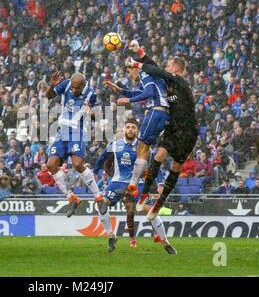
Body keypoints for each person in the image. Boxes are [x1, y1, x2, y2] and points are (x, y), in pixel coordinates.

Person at [127, 41, 199, 221]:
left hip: (188, 132)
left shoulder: (181, 81)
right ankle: (144, 195)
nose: (166, 67)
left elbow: (157, 71)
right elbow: (157, 68)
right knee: (158, 157)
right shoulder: (171, 80)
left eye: (168, 65)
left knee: (176, 167)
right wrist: (140, 52)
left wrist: (138, 64)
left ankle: (159, 205)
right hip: (172, 128)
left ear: (175, 68)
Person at [93, 119, 177, 254]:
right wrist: (94, 172)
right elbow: (102, 159)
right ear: (124, 130)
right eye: (128, 127)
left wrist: (160, 183)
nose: (130, 129)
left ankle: (166, 242)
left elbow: (154, 166)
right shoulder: (115, 144)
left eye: (133, 127)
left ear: (137, 131)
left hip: (138, 183)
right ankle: (111, 236)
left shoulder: (144, 147)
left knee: (152, 211)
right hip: (118, 182)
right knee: (101, 204)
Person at [104, 54, 170, 202]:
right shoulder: (149, 77)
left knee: (141, 145)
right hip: (164, 114)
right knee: (147, 149)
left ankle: (133, 184)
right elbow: (141, 93)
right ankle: (154, 181)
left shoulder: (145, 74)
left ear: (134, 68)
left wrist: (128, 100)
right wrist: (119, 89)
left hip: (156, 111)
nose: (129, 75)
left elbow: (149, 93)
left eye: (128, 72)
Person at [46, 71, 105, 217]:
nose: (73, 90)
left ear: (84, 85)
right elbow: (48, 96)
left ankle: (99, 198)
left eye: (77, 88)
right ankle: (72, 198)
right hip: (62, 131)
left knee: (78, 164)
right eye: (72, 87)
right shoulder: (66, 85)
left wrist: (90, 112)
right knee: (51, 165)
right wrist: (52, 85)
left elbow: (93, 115)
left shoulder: (91, 94)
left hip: (78, 131)